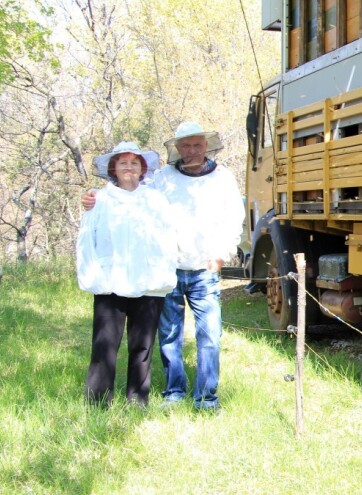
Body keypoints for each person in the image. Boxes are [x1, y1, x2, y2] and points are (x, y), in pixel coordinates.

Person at [83, 122, 244, 410]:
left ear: (206, 146)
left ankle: (207, 398)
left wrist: (222, 255)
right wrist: (93, 197)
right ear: (177, 148)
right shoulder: (163, 179)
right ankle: (174, 393)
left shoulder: (223, 178)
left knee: (209, 336)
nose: (191, 151)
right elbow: (131, 196)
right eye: (185, 145)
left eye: (196, 145)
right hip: (167, 270)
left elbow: (234, 218)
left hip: (205, 268)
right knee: (169, 337)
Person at [76, 142, 178, 407]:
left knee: (142, 347)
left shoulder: (155, 200)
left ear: (143, 168)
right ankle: (97, 402)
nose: (129, 168)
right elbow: (88, 239)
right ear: (114, 168)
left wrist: (165, 274)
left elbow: (168, 238)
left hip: (148, 283)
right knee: (105, 345)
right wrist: (92, 275)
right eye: (123, 163)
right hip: (111, 283)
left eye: (134, 163)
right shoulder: (99, 200)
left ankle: (137, 401)